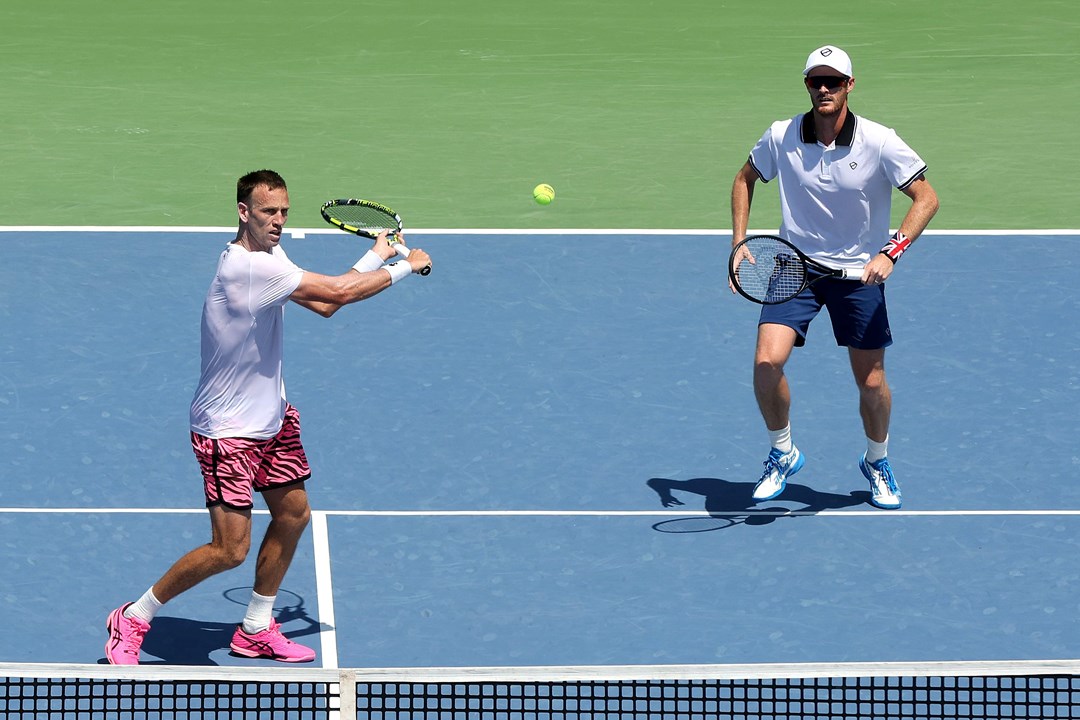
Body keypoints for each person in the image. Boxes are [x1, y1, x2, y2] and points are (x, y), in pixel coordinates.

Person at [105, 169, 431, 664]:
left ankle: (256, 626)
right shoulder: (246, 268)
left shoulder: (270, 256)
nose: (278, 221)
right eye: (268, 212)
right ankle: (135, 615)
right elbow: (340, 293)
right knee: (229, 549)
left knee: (294, 514)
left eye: (283, 212)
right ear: (243, 212)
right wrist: (408, 266)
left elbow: (322, 305)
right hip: (227, 432)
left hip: (272, 421)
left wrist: (375, 255)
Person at [729, 45, 939, 510]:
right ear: (806, 85)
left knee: (870, 383)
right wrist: (739, 242)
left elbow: (926, 198)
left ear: (849, 85)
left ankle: (877, 460)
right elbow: (743, 179)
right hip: (796, 269)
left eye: (833, 81)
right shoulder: (781, 135)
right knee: (766, 364)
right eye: (814, 81)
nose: (823, 89)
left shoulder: (880, 140)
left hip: (857, 276)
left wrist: (892, 251)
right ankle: (782, 452)